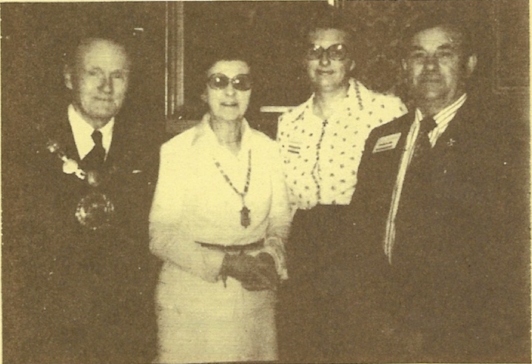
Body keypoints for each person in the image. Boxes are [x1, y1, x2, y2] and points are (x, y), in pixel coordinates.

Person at [347, 14, 529, 362]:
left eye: (444, 54)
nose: (429, 66)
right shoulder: (383, 138)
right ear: (404, 66)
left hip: (464, 334)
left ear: (469, 64)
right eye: (418, 55)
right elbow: (364, 234)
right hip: (388, 328)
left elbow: (503, 253)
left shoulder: (503, 140)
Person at [8, 35, 160, 363]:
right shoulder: (23, 148)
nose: (107, 86)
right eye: (94, 73)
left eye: (118, 75)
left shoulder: (149, 150)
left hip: (126, 340)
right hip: (45, 339)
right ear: (69, 77)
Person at [275, 7, 406, 362]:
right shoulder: (290, 122)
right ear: (304, 60)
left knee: (356, 344)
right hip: (304, 244)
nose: (325, 60)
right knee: (305, 344)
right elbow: (284, 200)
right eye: (315, 51)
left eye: (337, 51)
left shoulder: (386, 111)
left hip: (359, 243)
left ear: (351, 61)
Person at [149, 49, 291, 363]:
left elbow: (280, 218)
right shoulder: (176, 151)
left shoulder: (270, 150)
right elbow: (160, 236)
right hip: (191, 299)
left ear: (252, 90)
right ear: (203, 91)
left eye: (241, 82)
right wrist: (225, 264)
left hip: (255, 296)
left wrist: (270, 254)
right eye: (219, 81)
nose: (230, 91)